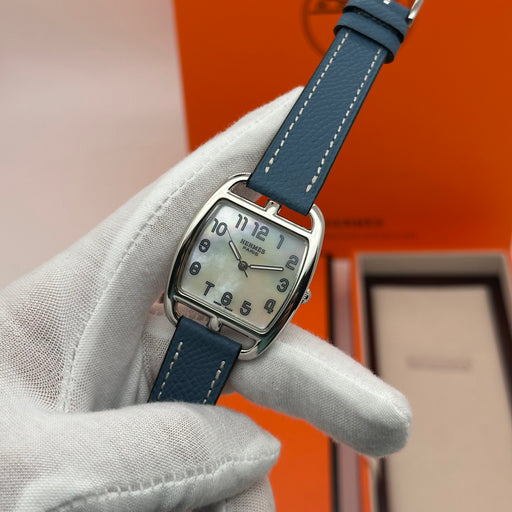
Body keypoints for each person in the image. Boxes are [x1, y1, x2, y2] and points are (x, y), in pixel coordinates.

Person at [0, 90, 411, 511]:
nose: (243, 267)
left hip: (206, 321)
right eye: (239, 260)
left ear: (297, 294)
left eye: (255, 268)